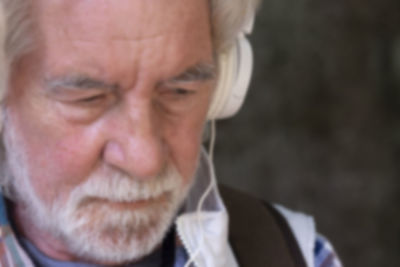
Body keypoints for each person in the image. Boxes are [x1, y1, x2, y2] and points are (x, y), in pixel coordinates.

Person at [0, 0, 342, 266]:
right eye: (89, 99)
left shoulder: (298, 255)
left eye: (180, 91)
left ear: (223, 89)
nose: (144, 160)